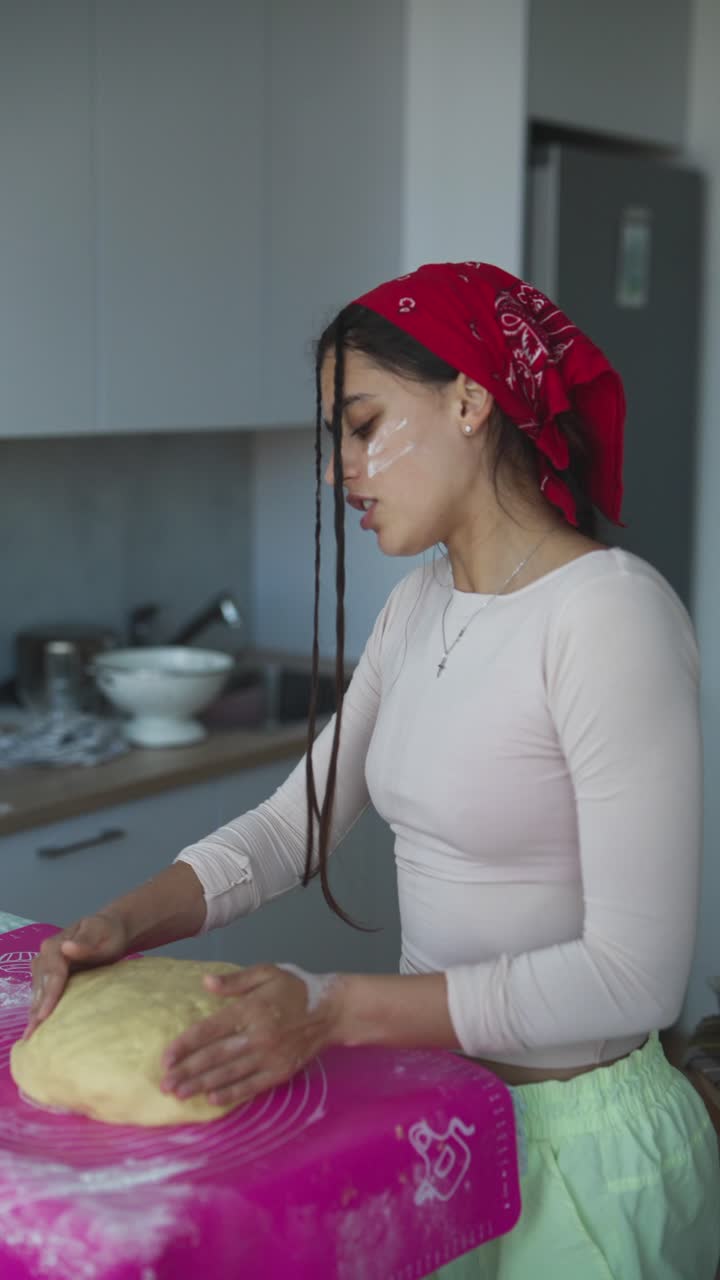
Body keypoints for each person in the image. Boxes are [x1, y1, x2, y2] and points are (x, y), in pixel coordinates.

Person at [28, 263, 720, 1278]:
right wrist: (124, 921)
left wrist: (334, 1007)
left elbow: (632, 976)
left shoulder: (609, 614)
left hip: (585, 1152)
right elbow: (289, 824)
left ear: (472, 398)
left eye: (361, 424)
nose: (338, 468)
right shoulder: (418, 606)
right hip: (437, 1122)